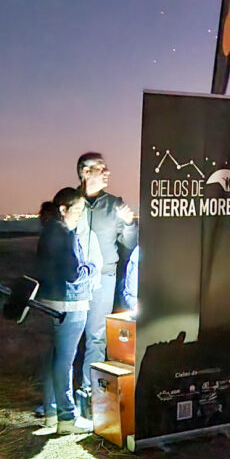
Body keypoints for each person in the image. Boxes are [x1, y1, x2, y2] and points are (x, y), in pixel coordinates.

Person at [73, 152, 138, 410]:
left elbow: (129, 244)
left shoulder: (114, 205)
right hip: (75, 281)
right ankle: (62, 397)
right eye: (101, 168)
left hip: (104, 277)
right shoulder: (71, 200)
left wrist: (130, 224)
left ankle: (89, 394)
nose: (107, 171)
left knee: (97, 337)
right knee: (70, 338)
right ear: (85, 172)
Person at [36, 187, 101, 433]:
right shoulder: (65, 234)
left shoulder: (48, 231)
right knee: (64, 361)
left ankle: (52, 413)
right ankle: (67, 417)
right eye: (79, 210)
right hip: (70, 304)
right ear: (64, 209)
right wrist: (90, 269)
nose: (81, 215)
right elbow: (73, 273)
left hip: (50, 302)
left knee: (53, 360)